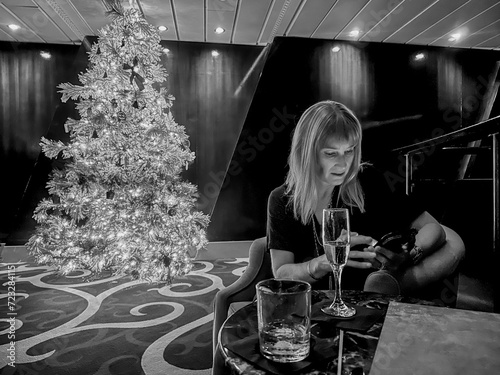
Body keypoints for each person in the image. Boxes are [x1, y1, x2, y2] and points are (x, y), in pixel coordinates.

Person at [267, 100, 465, 295]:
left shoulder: (367, 181)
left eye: (349, 151)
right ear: (305, 151)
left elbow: (433, 227)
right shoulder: (281, 199)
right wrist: (320, 264)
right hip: (314, 308)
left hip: (367, 306)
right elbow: (282, 272)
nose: (343, 164)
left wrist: (408, 256)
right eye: (331, 153)